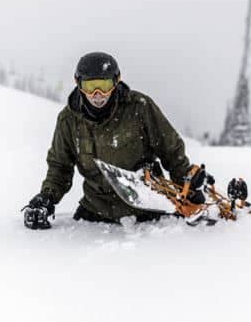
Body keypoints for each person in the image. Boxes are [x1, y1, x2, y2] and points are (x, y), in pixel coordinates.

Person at [23, 51, 192, 228]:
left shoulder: (140, 108)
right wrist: (47, 197)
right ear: (78, 84)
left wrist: (187, 187)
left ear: (116, 81)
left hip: (146, 212)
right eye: (90, 86)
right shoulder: (69, 121)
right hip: (96, 211)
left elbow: (172, 152)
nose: (98, 94)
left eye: (104, 85)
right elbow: (60, 166)